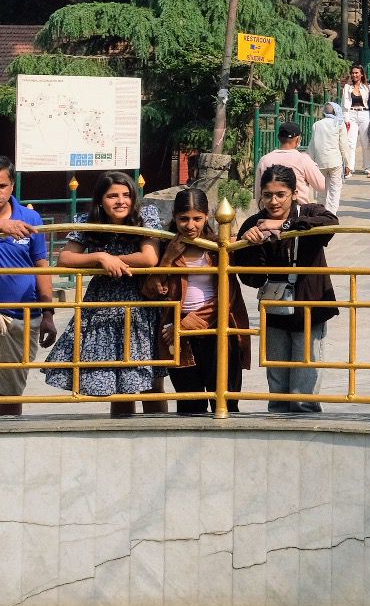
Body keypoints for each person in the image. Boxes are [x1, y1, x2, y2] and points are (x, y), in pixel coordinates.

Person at [42, 171, 160, 416]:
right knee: (119, 381)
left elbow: (149, 256)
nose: (120, 201)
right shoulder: (89, 221)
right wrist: (100, 257)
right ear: (100, 200)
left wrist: (115, 261)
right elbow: (65, 258)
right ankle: (121, 433)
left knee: (149, 378)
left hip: (140, 303)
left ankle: (157, 432)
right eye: (112, 196)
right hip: (103, 304)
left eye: (126, 195)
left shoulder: (145, 215)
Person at [234, 164, 339, 414]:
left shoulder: (308, 211)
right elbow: (251, 278)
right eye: (268, 195)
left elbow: (331, 223)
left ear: (293, 193)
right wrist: (250, 244)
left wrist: (284, 226)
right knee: (278, 384)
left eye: (281, 194)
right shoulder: (253, 223)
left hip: (309, 306)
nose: (274, 201)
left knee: (304, 387)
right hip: (275, 308)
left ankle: (305, 432)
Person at [160, 188, 249, 416]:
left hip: (216, 327)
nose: (190, 226)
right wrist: (168, 258)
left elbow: (227, 297)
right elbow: (152, 289)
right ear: (174, 217)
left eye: (197, 219)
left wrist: (186, 326)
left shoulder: (220, 246)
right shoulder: (166, 246)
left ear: (207, 217)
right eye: (183, 219)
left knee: (226, 400)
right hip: (176, 332)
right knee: (189, 403)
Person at [0, 157, 53, 415]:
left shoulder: (29, 218)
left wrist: (48, 313)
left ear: (12, 187)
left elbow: (41, 266)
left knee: (10, 394)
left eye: (1, 185)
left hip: (21, 318)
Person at [255, 120, 327, 205]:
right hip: (297, 212)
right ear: (298, 139)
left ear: (278, 137)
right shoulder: (303, 159)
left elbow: (258, 192)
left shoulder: (264, 160)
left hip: (271, 210)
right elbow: (321, 186)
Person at [309, 103, 352, 215]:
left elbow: (312, 146)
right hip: (335, 162)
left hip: (320, 162)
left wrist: (310, 163)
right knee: (335, 190)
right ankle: (331, 214)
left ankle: (320, 212)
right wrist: (347, 164)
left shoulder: (316, 125)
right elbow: (343, 146)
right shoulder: (339, 124)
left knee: (321, 190)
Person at [340, 63, 370, 176]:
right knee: (350, 143)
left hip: (364, 113)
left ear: (361, 74)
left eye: (356, 73)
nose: (354, 75)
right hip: (351, 113)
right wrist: (346, 119)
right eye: (353, 73)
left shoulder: (367, 87)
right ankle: (350, 168)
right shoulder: (347, 88)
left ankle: (368, 167)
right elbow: (344, 105)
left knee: (366, 142)